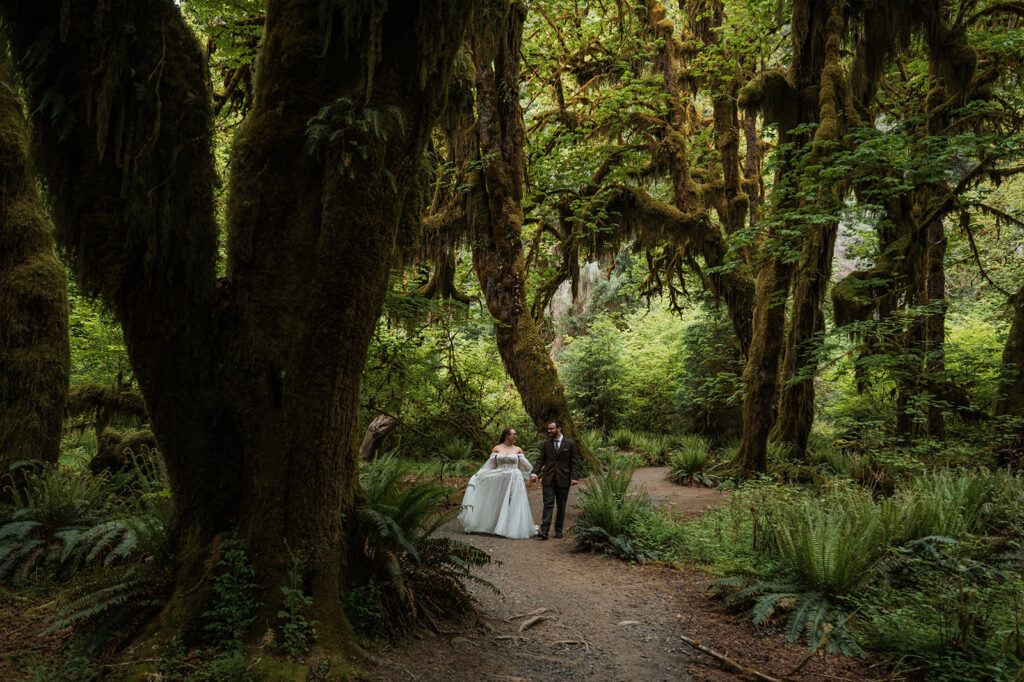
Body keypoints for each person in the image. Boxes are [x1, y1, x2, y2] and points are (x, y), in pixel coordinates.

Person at [459, 428, 537, 539]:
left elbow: (526, 465)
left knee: (513, 501)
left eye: (516, 434)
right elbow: (490, 465)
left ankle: (511, 528)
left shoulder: (518, 449)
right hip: (500, 478)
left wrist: (533, 475)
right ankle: (496, 526)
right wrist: (479, 474)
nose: (516, 436)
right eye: (514, 434)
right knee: (499, 501)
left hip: (514, 477)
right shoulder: (497, 448)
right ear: (506, 435)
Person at [530, 420, 579, 540]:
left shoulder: (570, 444)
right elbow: (541, 460)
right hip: (549, 478)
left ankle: (558, 529)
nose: (549, 431)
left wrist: (574, 477)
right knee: (548, 504)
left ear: (559, 429)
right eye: (548, 429)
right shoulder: (546, 444)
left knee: (561, 505)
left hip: (564, 478)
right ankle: (544, 531)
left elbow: (574, 462)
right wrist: (534, 473)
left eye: (551, 429)